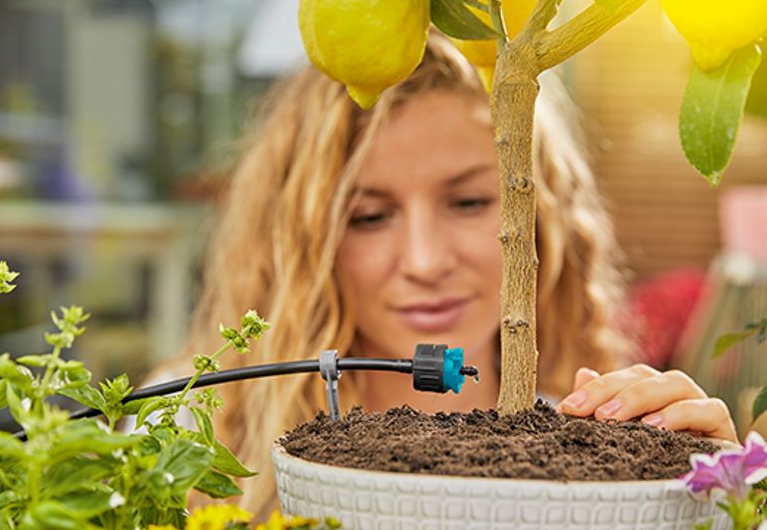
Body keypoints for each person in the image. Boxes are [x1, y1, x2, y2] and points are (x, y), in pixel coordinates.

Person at [166, 32, 736, 516]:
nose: (425, 261)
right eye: (369, 217)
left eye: (466, 203)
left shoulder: (605, 455)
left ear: (541, 219)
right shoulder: (186, 441)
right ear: (300, 242)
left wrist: (723, 504)